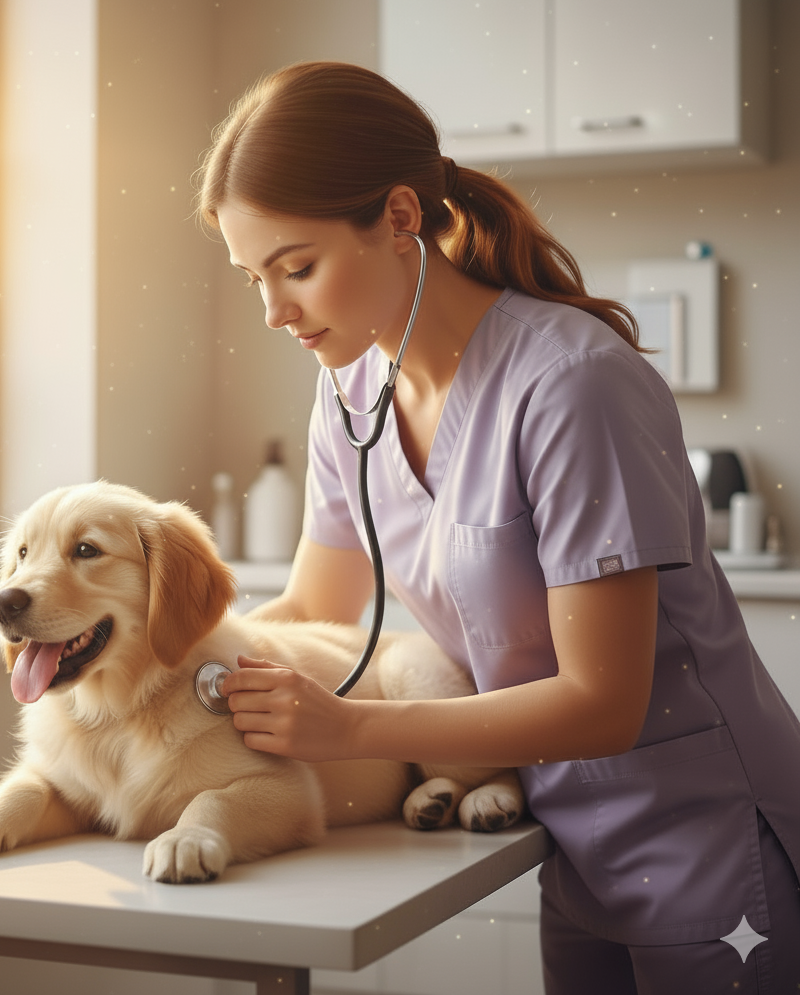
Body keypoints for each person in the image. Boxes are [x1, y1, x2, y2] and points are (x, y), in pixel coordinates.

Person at [196, 61, 800, 993]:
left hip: (707, 839)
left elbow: (602, 700)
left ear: (401, 218)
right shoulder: (350, 388)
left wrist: (349, 729)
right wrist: (159, 670)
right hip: (563, 837)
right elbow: (321, 605)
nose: (274, 312)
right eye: (252, 279)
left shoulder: (571, 385)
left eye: (297, 268)